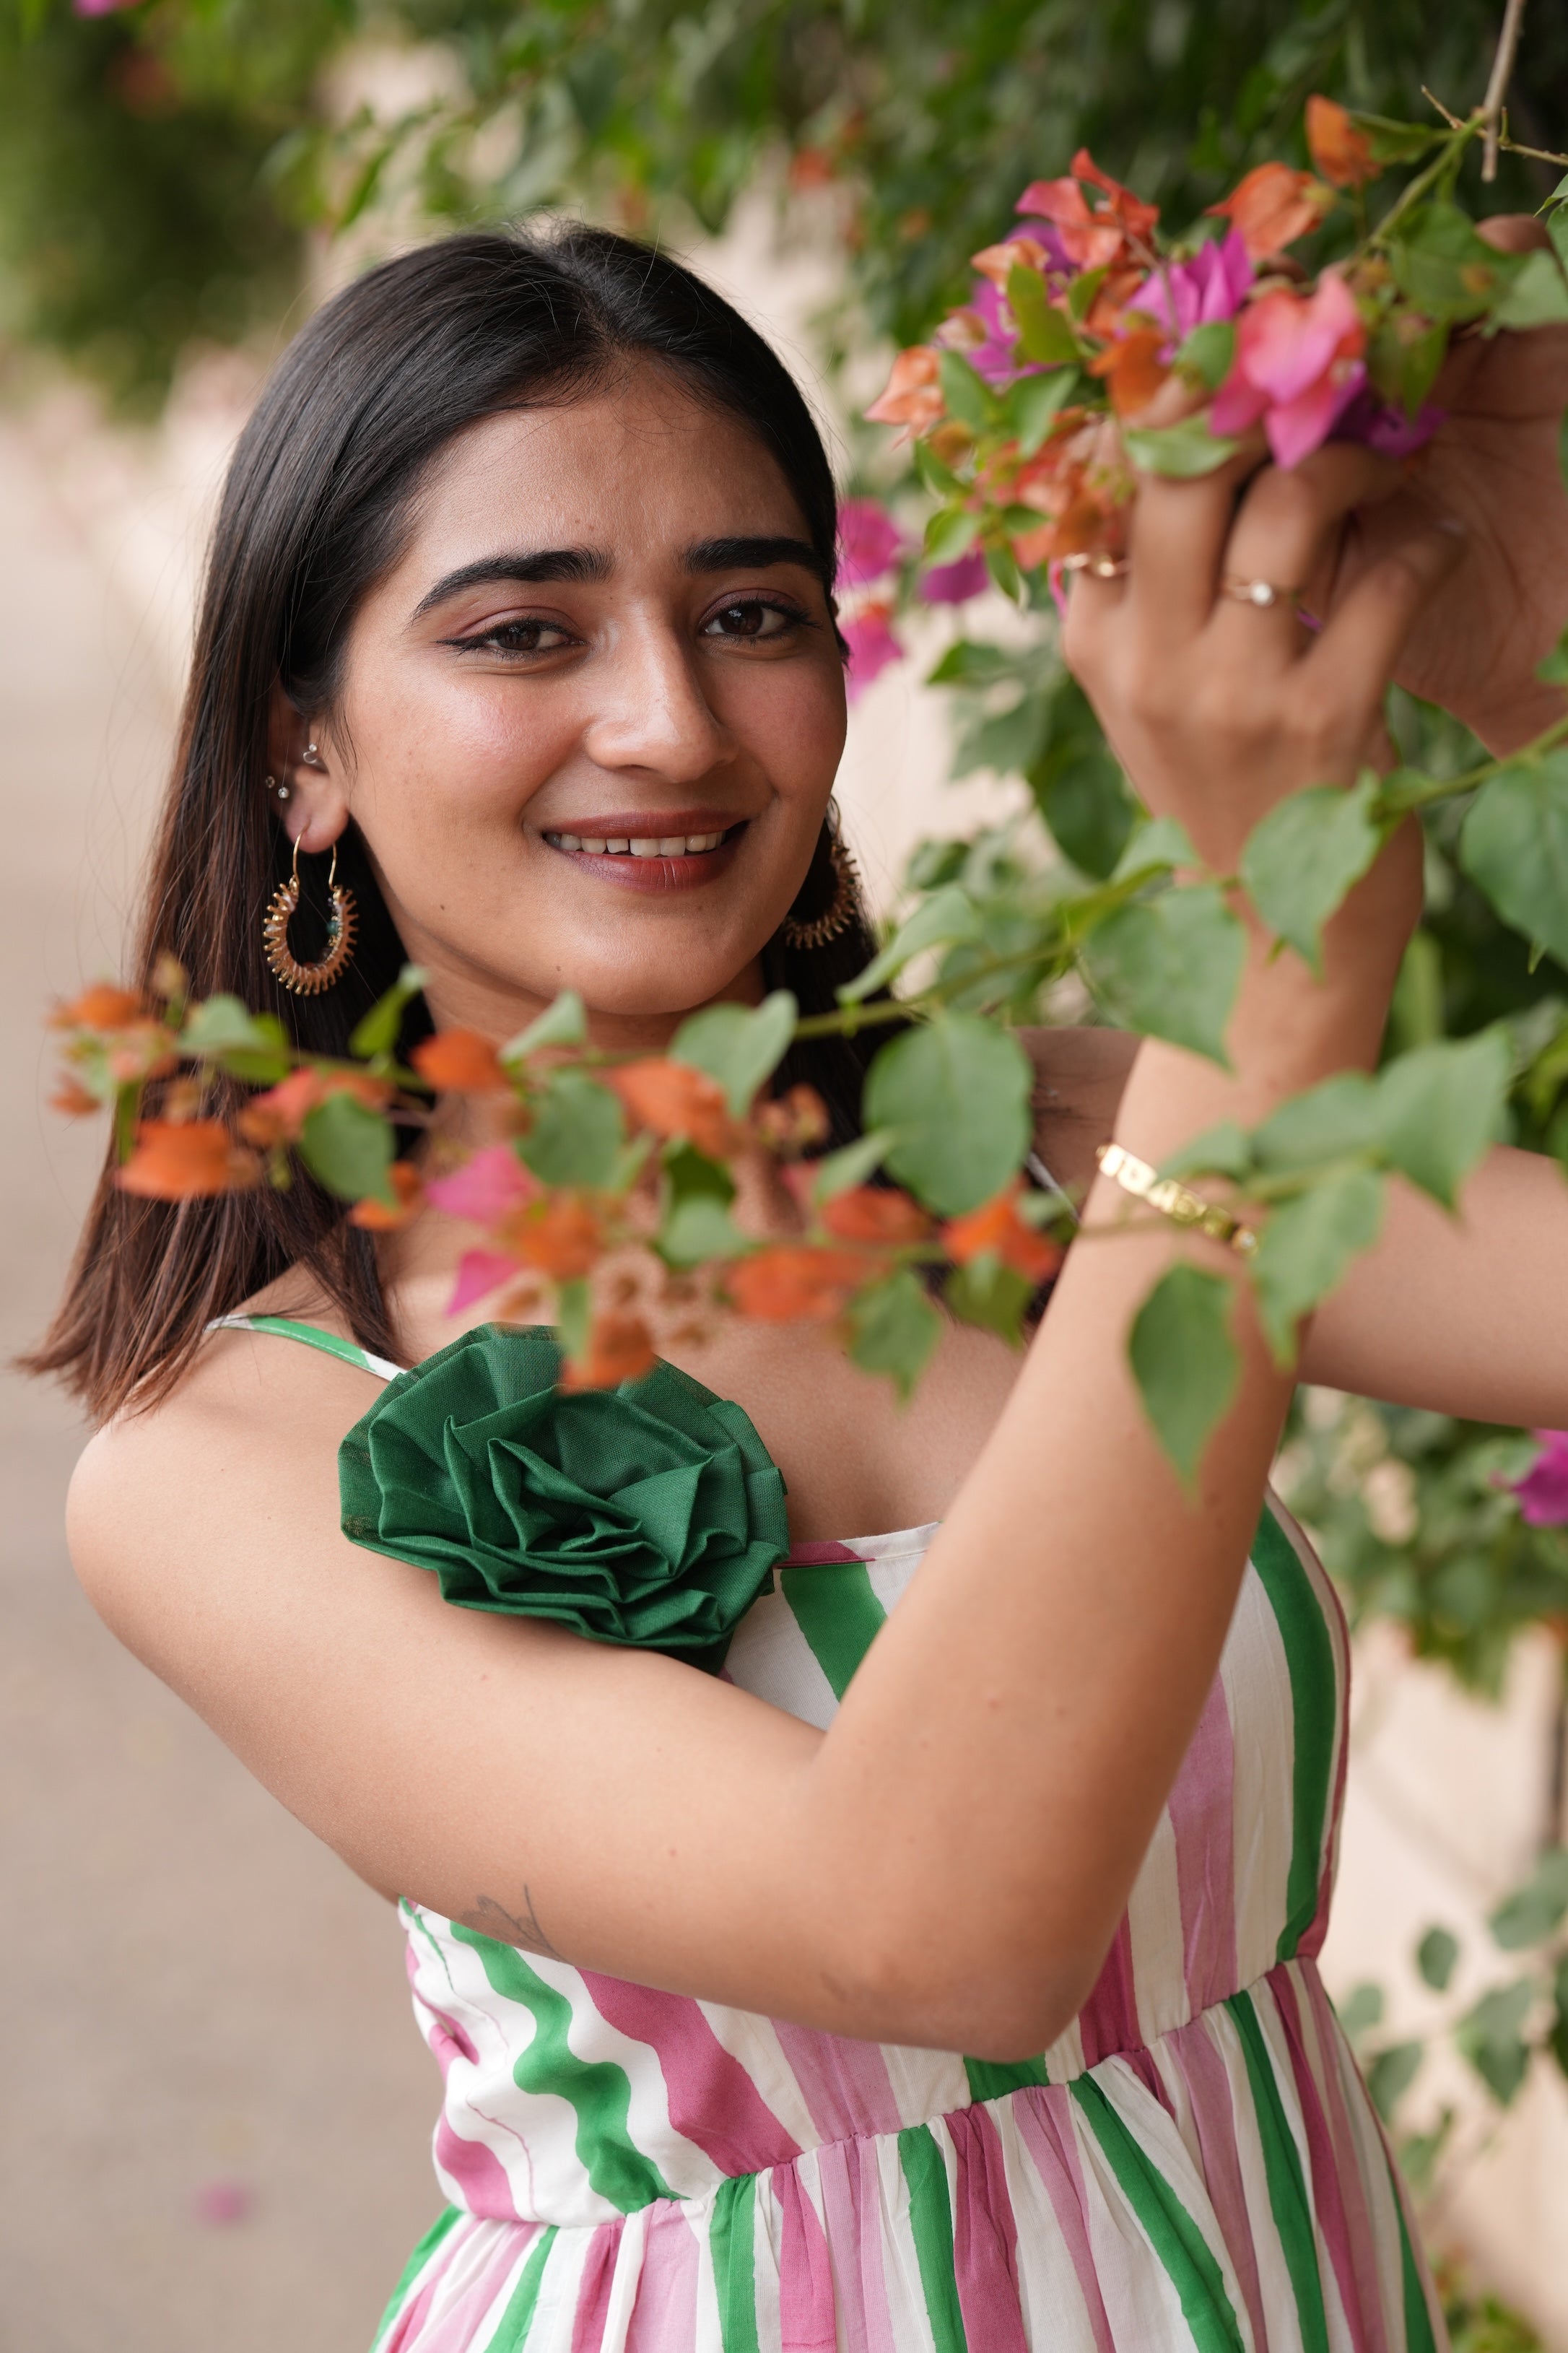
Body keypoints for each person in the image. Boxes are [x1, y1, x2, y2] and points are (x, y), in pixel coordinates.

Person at [36, 219, 1568, 2351]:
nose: (668, 721)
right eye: (522, 633)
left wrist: (1531, 688)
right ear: (307, 747)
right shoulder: (231, 1454)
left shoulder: (1045, 1150)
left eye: (748, 611)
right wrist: (1273, 992)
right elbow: (923, 1924)